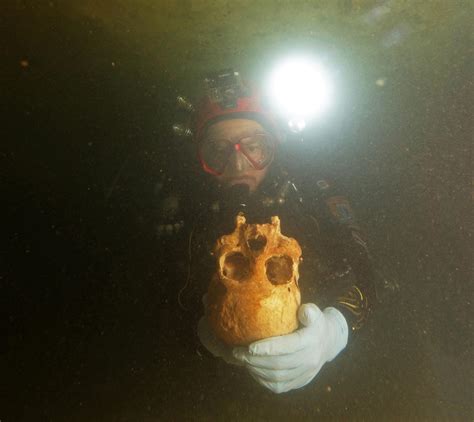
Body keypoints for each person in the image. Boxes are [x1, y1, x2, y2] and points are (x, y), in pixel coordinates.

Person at [160, 69, 377, 394]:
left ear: (274, 146)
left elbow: (366, 271)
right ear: (200, 156)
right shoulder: (186, 209)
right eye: (218, 150)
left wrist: (334, 331)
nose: (238, 165)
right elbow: (159, 294)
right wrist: (201, 332)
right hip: (215, 390)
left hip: (329, 389)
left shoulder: (312, 191)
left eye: (254, 147)